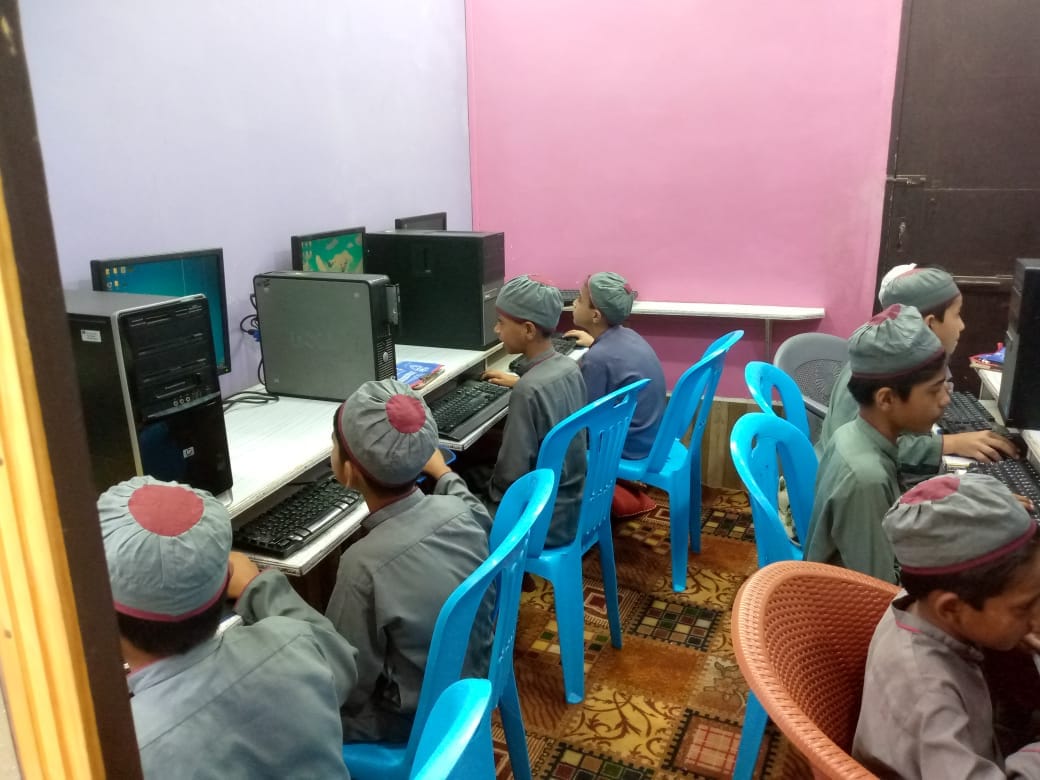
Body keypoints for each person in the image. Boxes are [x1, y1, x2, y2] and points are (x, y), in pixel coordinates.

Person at [98, 476, 358, 778]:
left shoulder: (129, 753)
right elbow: (343, 663)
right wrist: (258, 586)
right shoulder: (297, 643)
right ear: (227, 578)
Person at [325, 379, 493, 743]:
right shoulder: (463, 513)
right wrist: (444, 472)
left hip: (408, 721)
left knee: (282, 713)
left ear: (349, 471)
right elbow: (470, 503)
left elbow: (347, 685)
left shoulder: (362, 565)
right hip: (472, 679)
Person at [853, 473, 1040, 777]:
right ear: (952, 608)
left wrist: (1014, 631)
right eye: (1023, 608)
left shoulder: (925, 599)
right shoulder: (926, 697)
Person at [820, 264, 1017, 480]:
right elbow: (872, 446)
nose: (961, 326)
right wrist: (949, 443)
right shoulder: (877, 376)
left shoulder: (888, 361)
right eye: (957, 315)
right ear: (930, 324)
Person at [805, 304, 949, 583]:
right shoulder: (866, 477)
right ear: (886, 399)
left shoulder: (853, 433)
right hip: (849, 615)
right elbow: (878, 595)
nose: (945, 399)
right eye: (934, 390)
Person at [481, 274, 588, 546]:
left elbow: (510, 477)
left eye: (501, 323)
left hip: (538, 521)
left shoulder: (527, 390)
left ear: (528, 330)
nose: (496, 330)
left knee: (453, 492)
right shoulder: (570, 368)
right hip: (570, 506)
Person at [563, 272, 666, 460]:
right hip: (647, 438)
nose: (574, 304)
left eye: (579, 299)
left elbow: (583, 420)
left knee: (549, 433)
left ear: (595, 315)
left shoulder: (598, 358)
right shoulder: (627, 336)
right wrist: (594, 342)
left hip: (625, 448)